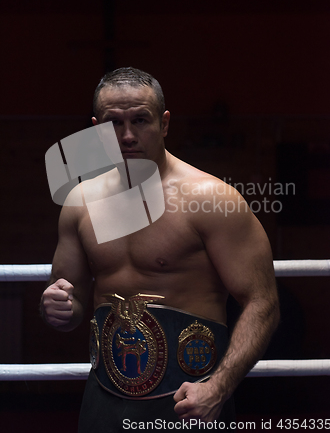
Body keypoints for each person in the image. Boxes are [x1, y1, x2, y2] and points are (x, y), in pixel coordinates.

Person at [41, 67, 279, 432]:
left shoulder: (210, 199)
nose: (128, 135)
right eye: (114, 123)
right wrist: (58, 307)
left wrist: (219, 387)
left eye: (141, 120)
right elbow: (70, 307)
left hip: (190, 402)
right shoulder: (80, 203)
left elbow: (262, 302)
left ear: (164, 123)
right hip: (104, 399)